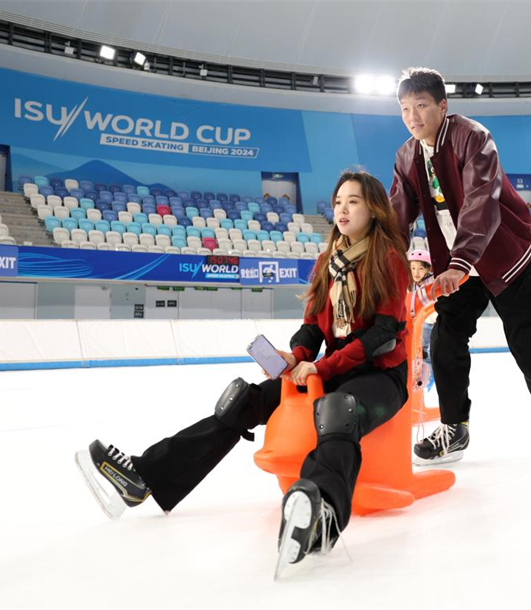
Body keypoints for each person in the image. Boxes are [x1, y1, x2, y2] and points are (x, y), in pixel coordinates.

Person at [75, 170, 411, 573]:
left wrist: (320, 366)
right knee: (242, 401)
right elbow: (312, 326)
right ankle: (144, 478)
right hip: (332, 368)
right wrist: (295, 357)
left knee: (338, 411)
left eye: (353, 201)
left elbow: (383, 336)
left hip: (380, 375)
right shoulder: (328, 261)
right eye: (338, 201)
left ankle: (321, 511)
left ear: (373, 209)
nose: (342, 208)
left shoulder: (388, 258)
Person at [388, 67, 531, 464]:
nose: (413, 116)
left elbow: (481, 200)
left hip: (505, 256)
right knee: (446, 338)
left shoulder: (473, 137)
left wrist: (459, 262)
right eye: (405, 108)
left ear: (443, 105)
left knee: (525, 338)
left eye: (421, 105)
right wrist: (386, 266)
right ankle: (454, 428)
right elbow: (397, 216)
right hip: (458, 263)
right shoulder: (406, 156)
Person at [407, 249, 435, 388]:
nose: (416, 272)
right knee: (422, 352)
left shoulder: (432, 282)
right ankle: (424, 378)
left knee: (432, 350)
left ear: (428, 269)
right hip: (422, 322)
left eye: (420, 268)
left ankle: (430, 378)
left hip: (434, 321)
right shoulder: (412, 284)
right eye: (413, 268)